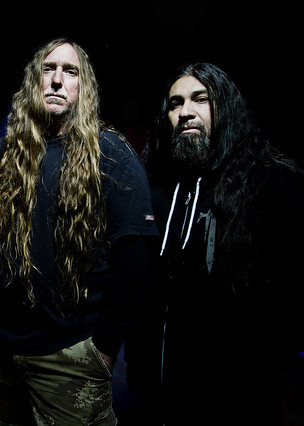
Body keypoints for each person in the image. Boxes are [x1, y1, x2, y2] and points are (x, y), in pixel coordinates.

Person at [0, 38, 158, 425]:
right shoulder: (1, 153)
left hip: (69, 356)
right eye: (48, 69)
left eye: (70, 71)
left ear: (84, 87)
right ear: (33, 81)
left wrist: (104, 347)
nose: (56, 79)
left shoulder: (111, 153)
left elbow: (134, 256)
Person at [125, 62, 304, 425]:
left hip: (234, 402)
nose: (185, 112)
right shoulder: (154, 188)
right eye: (175, 103)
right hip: (155, 397)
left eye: (200, 99)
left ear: (226, 107)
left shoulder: (269, 183)